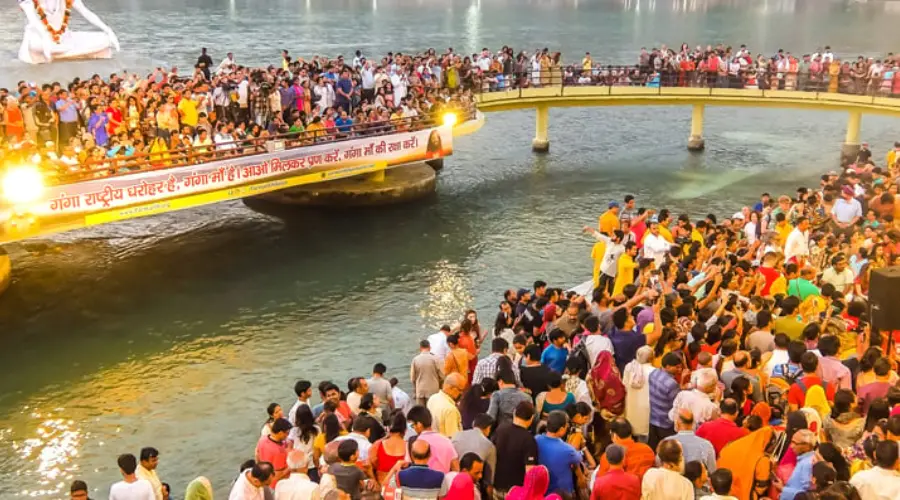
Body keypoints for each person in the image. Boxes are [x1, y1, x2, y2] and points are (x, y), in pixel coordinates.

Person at [492, 401, 538, 498]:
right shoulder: (529, 439)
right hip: (516, 492)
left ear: (514, 412)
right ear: (531, 418)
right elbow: (530, 471)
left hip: (496, 486)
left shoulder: (501, 429)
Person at [535, 410, 583, 498]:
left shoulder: (536, 440)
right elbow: (578, 458)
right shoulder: (567, 450)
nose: (568, 426)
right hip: (562, 495)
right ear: (561, 429)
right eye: (566, 425)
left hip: (541, 492)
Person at [407, 405, 460, 473]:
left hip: (420, 482)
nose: (413, 428)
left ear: (419, 424)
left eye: (413, 425)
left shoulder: (414, 442)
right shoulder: (446, 440)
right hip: (443, 482)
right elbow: (455, 468)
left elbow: (408, 466)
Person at [664, 410, 717, 475]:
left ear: (677, 423)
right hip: (698, 484)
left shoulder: (666, 443)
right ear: (692, 424)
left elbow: (659, 465)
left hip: (672, 483)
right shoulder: (706, 445)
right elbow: (713, 471)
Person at [648, 352, 682, 449]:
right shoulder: (671, 384)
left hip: (653, 417)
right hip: (666, 421)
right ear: (667, 367)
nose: (679, 370)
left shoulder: (653, 373)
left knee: (654, 446)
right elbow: (676, 402)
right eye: (677, 367)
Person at [451, 413, 497, 484]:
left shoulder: (457, 435)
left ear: (473, 424)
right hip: (472, 484)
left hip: (452, 479)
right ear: (488, 428)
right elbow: (490, 477)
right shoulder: (489, 445)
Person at [622, 345, 654, 439]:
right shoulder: (654, 371)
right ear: (651, 357)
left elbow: (624, 385)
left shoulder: (629, 368)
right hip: (646, 409)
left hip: (631, 406)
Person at [779, 429, 817, 500]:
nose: (791, 446)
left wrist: (782, 489)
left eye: (795, 443)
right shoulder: (804, 460)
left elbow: (806, 494)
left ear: (807, 446)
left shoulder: (808, 463)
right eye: (791, 442)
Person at [256, 418, 293, 487]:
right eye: (287, 433)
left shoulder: (262, 439)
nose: (287, 436)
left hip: (265, 480)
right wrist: (291, 466)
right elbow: (278, 474)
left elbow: (257, 455)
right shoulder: (279, 452)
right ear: (280, 433)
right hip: (277, 484)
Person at [428, 373, 466, 437]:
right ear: (451, 388)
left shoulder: (432, 398)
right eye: (460, 390)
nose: (462, 394)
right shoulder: (450, 410)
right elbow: (454, 438)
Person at [411, 339, 445, 406]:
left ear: (420, 348)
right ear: (429, 347)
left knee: (421, 413)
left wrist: (415, 390)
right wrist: (440, 386)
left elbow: (412, 378)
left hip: (420, 390)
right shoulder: (435, 358)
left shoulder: (415, 359)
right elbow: (442, 376)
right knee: (432, 412)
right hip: (433, 391)